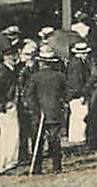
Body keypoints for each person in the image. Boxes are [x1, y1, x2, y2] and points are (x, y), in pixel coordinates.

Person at [23, 46, 68, 174]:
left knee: (38, 141)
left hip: (39, 114)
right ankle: (56, 167)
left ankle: (37, 167)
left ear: (41, 62)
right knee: (55, 140)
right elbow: (66, 94)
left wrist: (36, 109)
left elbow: (29, 96)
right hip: (55, 112)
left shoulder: (35, 77)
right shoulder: (60, 76)